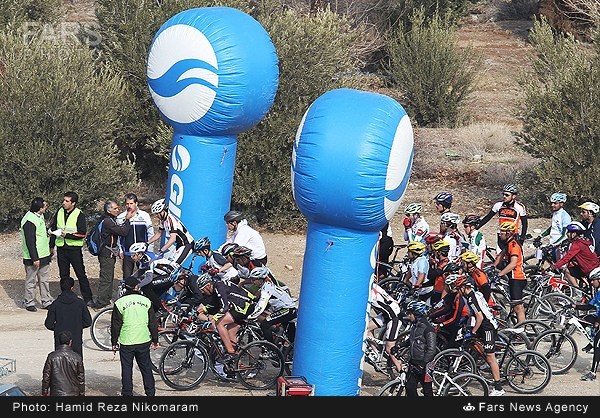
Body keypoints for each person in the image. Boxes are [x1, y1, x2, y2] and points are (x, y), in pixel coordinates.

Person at [454, 275, 504, 396]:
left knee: (490, 357)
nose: (458, 291)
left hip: (487, 328)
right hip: (485, 325)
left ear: (463, 287)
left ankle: (498, 388)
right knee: (477, 345)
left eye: (459, 288)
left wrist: (473, 331)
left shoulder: (471, 299)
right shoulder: (475, 294)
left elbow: (480, 317)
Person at [111, 274, 159, 397]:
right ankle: (150, 393)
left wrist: (114, 342)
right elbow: (153, 323)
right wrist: (155, 339)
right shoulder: (146, 301)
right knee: (146, 368)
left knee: (127, 369)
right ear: (136, 286)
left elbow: (116, 325)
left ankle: (127, 393)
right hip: (143, 339)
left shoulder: (120, 303)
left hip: (127, 341)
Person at [196, 272, 256, 361]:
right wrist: (204, 309)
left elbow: (224, 307)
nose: (202, 292)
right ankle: (236, 362)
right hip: (240, 306)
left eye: (202, 289)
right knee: (230, 335)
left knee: (219, 323)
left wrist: (214, 318)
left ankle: (230, 352)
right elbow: (216, 304)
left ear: (208, 285)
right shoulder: (216, 287)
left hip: (245, 306)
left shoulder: (219, 287)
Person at [49, 191, 93, 306]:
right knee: (64, 275)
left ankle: (88, 298)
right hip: (61, 248)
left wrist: (67, 235)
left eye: (67, 201)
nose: (64, 203)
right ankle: (65, 297)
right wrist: (51, 246)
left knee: (81, 274)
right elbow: (54, 229)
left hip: (74, 249)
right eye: (64, 200)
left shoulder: (79, 214)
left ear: (73, 203)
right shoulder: (59, 212)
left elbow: (82, 233)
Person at [92, 200, 134, 309]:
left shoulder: (108, 220)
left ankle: (105, 299)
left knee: (108, 277)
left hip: (109, 253)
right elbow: (123, 232)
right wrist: (127, 220)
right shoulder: (107, 221)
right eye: (115, 208)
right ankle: (100, 302)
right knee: (106, 278)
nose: (117, 210)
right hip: (106, 254)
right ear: (108, 210)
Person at [246, 266, 297, 345]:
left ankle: (271, 348)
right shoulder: (265, 286)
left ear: (260, 280)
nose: (252, 282)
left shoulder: (266, 289)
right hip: (286, 309)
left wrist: (251, 316)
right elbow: (259, 300)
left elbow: (261, 305)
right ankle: (282, 348)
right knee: (290, 337)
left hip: (287, 309)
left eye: (254, 279)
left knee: (265, 324)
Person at [44, 276, 92, 360]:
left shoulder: (55, 304)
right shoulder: (80, 303)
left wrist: (58, 327)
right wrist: (78, 325)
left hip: (60, 340)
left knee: (60, 363)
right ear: (72, 288)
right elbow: (88, 322)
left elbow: (48, 324)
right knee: (76, 362)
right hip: (76, 338)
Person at [396, 300, 436, 397]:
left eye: (410, 313)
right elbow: (410, 341)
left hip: (426, 365)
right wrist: (398, 346)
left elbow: (432, 350)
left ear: (418, 314)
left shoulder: (429, 329)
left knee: (427, 390)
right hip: (413, 362)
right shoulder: (415, 327)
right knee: (409, 388)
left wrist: (422, 364)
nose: (409, 316)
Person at [20, 197, 53, 312]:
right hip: (33, 257)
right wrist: (35, 258)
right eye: (44, 205)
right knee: (31, 280)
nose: (46, 206)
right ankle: (29, 302)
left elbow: (39, 233)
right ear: (40, 208)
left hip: (44, 255)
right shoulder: (29, 220)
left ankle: (46, 301)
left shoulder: (39, 216)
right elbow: (30, 241)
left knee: (44, 280)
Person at [366, 280, 404, 374]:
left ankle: (402, 371)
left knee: (389, 348)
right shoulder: (374, 286)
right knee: (366, 329)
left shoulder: (369, 294)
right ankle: (376, 353)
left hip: (394, 318)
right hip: (387, 314)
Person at [493, 221, 526, 324]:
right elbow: (501, 255)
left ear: (508, 233)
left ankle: (522, 329)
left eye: (502, 232)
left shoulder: (514, 245)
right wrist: (492, 267)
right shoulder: (508, 244)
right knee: (516, 306)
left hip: (517, 278)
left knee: (518, 308)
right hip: (513, 278)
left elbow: (513, 264)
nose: (500, 234)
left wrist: (499, 274)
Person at [478, 183, 528, 251]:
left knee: (514, 256)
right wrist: (477, 227)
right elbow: (488, 217)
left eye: (507, 195)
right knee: (499, 256)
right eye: (503, 194)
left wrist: (522, 238)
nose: (504, 196)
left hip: (513, 235)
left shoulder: (519, 207)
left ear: (513, 196)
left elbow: (525, 224)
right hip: (501, 235)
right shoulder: (498, 205)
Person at [146, 198, 194, 266]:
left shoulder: (171, 219)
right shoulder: (163, 221)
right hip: (179, 245)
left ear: (163, 211)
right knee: (168, 264)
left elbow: (173, 239)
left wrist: (161, 250)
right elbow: (159, 233)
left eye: (157, 214)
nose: (156, 216)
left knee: (173, 266)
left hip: (187, 244)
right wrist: (147, 243)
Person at [118, 193, 155, 279]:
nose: (129, 206)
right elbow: (119, 236)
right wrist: (120, 250)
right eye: (127, 204)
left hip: (142, 252)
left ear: (136, 203)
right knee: (127, 278)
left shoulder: (145, 215)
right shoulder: (121, 217)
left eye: (131, 203)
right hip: (128, 252)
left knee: (144, 277)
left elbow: (150, 233)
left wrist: (150, 250)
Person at [572, 267, 600, 381]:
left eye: (593, 280)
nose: (591, 282)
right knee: (583, 320)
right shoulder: (598, 292)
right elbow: (589, 306)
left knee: (597, 344)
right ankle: (591, 342)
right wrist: (573, 306)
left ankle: (592, 373)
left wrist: (598, 321)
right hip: (598, 316)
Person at [553, 221, 600, 289]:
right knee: (572, 267)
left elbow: (567, 257)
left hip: (589, 269)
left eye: (568, 232)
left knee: (567, 271)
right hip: (593, 266)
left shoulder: (577, 244)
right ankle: (583, 286)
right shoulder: (583, 241)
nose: (567, 234)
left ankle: (577, 290)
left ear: (574, 234)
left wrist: (555, 266)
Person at [41, 330, 85, 396]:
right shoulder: (77, 357)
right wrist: (82, 393)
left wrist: (44, 392)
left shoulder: (52, 356)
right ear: (70, 341)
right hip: (73, 393)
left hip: (56, 393)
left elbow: (46, 376)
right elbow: (81, 379)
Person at [537, 192, 571, 262]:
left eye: (555, 203)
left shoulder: (565, 216)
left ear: (561, 204)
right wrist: (540, 236)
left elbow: (565, 235)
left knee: (560, 266)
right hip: (554, 243)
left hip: (561, 246)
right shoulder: (555, 213)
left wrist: (553, 244)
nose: (552, 205)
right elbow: (553, 227)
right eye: (552, 203)